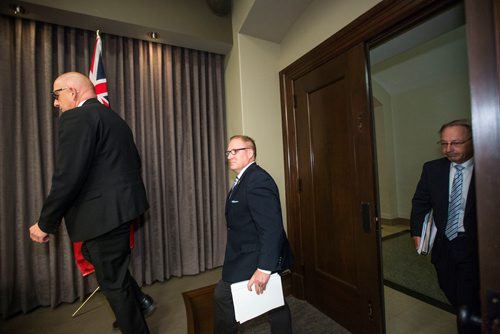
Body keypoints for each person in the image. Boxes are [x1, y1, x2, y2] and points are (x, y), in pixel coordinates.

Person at [29, 72, 154, 334]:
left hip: (103, 215)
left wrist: (45, 223)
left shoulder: (77, 117)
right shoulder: (114, 118)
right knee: (104, 265)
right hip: (123, 209)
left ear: (72, 92)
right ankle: (140, 301)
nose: (55, 103)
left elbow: (68, 176)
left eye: (57, 95)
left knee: (112, 283)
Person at [213, 135, 294, 334]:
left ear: (250, 153)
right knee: (274, 303)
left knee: (223, 296)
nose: (229, 156)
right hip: (246, 252)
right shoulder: (244, 178)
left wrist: (265, 268)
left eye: (235, 151)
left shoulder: (258, 180)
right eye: (228, 152)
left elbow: (271, 227)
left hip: (254, 256)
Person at [410, 119, 480, 333]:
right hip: (443, 246)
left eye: (456, 143)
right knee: (450, 290)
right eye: (444, 143)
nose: (448, 149)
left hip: (474, 247)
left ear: (472, 141)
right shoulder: (432, 169)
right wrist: (417, 232)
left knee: (468, 302)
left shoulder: (490, 167)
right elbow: (420, 202)